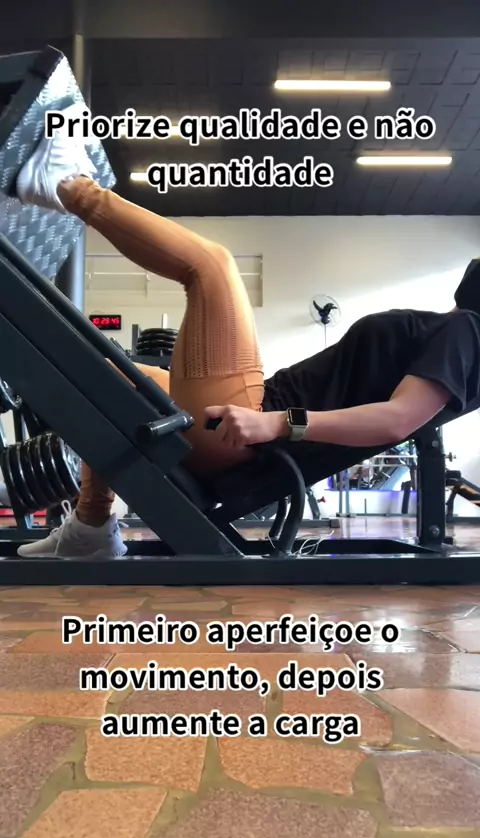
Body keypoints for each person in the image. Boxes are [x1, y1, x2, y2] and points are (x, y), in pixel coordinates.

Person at [15, 104, 480, 559]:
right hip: (249, 420)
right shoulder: (448, 329)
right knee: (104, 377)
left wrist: (275, 423)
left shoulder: (465, 331)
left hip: (250, 428)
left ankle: (68, 185)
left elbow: (398, 420)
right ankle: (91, 527)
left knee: (211, 266)